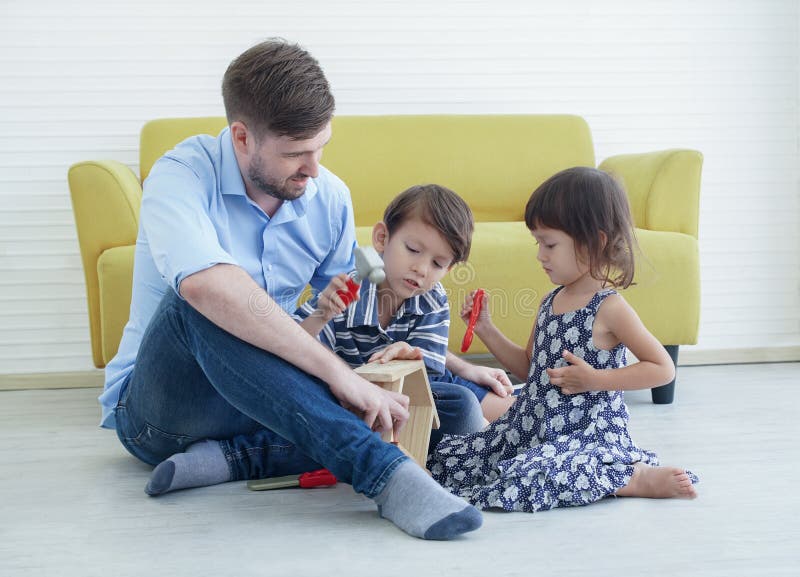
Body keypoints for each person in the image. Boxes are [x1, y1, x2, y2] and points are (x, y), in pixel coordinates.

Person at [100, 38, 482, 540]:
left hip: (266, 398)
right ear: (242, 137)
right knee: (206, 297)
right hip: (165, 411)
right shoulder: (181, 175)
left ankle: (231, 460)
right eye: (297, 153)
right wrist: (337, 378)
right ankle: (382, 473)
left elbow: (347, 315)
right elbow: (209, 289)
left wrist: (451, 363)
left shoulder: (328, 197)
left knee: (451, 406)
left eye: (321, 146)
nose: (314, 168)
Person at [427, 166, 698, 512]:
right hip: (533, 427)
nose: (540, 254)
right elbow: (530, 369)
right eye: (538, 243)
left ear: (594, 242)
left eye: (550, 244)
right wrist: (486, 329)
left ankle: (634, 477)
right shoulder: (550, 301)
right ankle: (609, 475)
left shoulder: (610, 307)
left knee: (534, 475)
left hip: (586, 433)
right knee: (454, 461)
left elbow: (662, 369)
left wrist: (595, 379)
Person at [293, 183, 506, 449]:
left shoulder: (432, 298)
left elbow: (426, 382)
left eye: (437, 264)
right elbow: (292, 346)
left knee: (462, 404)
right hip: (345, 399)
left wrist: (412, 354)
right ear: (382, 238)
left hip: (400, 400)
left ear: (448, 269)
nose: (421, 269)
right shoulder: (348, 290)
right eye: (413, 250)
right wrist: (322, 314)